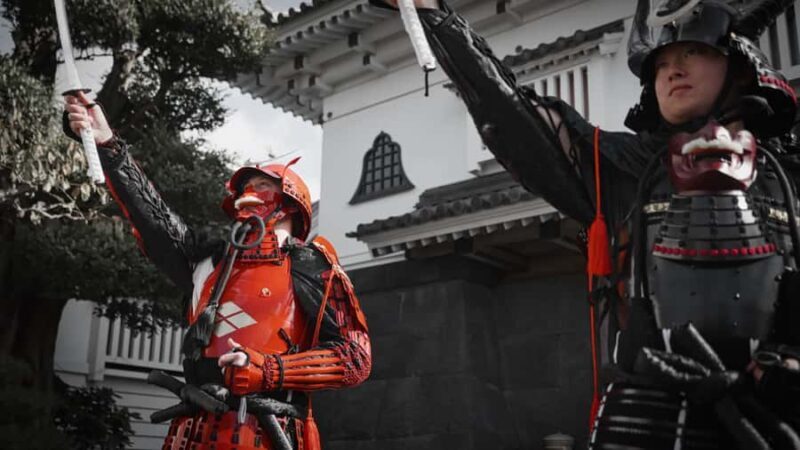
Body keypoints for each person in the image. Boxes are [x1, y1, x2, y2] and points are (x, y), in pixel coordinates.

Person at [378, 0, 800, 447]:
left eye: (692, 53)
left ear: (738, 66)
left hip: (776, 411)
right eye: (661, 66)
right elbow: (514, 116)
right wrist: (433, 13)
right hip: (647, 411)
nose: (673, 70)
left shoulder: (789, 176)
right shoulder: (621, 169)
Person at [63, 91, 371, 450]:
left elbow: (354, 358)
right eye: (242, 189)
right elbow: (155, 222)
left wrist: (269, 370)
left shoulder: (312, 264)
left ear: (288, 202)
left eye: (260, 187)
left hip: (270, 431)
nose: (247, 195)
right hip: (190, 429)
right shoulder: (207, 262)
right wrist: (109, 146)